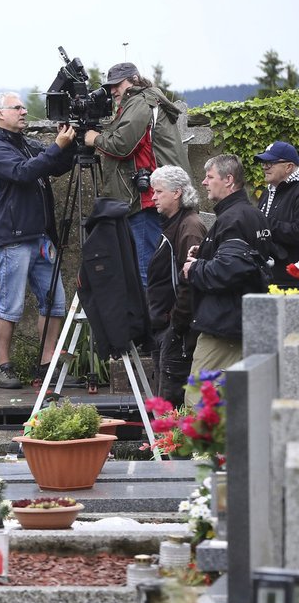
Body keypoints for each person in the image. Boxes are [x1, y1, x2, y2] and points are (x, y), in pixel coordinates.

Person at [0, 92, 76, 389]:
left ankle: (47, 364)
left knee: (55, 302)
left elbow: (55, 166)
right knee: (10, 304)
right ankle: (3, 367)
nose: (24, 111)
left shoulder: (25, 144)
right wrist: (56, 147)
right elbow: (24, 173)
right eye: (17, 107)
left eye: (23, 107)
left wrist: (69, 144)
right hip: (13, 238)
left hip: (41, 237)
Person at [83, 62, 186, 287]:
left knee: (145, 271)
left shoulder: (140, 101)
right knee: (148, 268)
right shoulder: (139, 101)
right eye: (110, 86)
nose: (112, 91)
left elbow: (122, 144)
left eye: (117, 84)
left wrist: (94, 139)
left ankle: (152, 321)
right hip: (148, 196)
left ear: (134, 80)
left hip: (146, 200)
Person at [182, 155, 272, 382]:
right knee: (237, 399)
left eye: (210, 177)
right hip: (247, 321)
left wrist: (194, 268)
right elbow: (250, 262)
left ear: (229, 180)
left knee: (199, 397)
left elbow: (229, 270)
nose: (204, 182)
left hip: (224, 326)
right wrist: (205, 253)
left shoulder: (232, 218)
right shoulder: (254, 214)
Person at [145, 167, 205, 406]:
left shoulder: (189, 227)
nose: (153, 196)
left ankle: (174, 445)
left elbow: (190, 281)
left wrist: (176, 324)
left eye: (159, 191)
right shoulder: (173, 224)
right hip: (165, 325)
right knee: (163, 401)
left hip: (177, 329)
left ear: (177, 193)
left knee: (172, 404)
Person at [255, 141, 299, 287]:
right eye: (264, 163)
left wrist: (264, 223)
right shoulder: (267, 192)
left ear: (289, 167)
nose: (265, 167)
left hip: (292, 281)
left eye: (270, 162)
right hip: (268, 278)